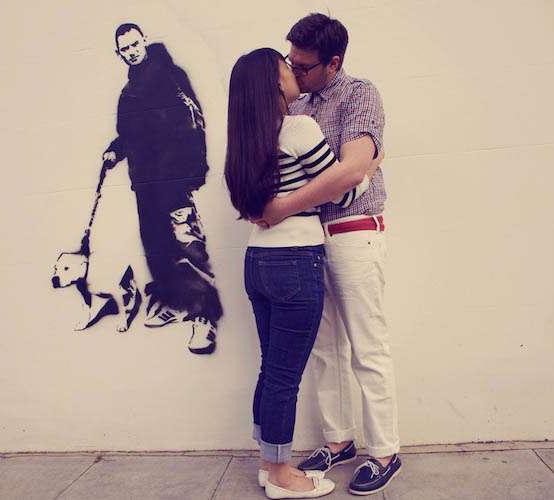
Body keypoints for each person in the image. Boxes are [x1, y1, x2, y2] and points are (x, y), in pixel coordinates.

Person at [256, 13, 401, 495]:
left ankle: (384, 451)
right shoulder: (295, 106)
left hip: (354, 231)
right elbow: (331, 173)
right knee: (323, 348)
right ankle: (339, 442)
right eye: (291, 64)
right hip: (307, 243)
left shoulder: (359, 94)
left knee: (367, 345)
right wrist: (339, 176)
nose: (294, 73)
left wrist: (283, 207)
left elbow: (352, 171)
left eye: (304, 67)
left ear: (333, 63)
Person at [225, 48, 376, 499]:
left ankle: (266, 462)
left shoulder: (244, 141)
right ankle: (281, 474)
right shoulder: (298, 127)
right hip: (295, 261)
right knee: (284, 377)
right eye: (284, 66)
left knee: (271, 369)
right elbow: (342, 193)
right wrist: (368, 167)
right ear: (274, 84)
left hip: (258, 261)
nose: (293, 71)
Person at [103, 23, 223, 355]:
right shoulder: (128, 93)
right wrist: (115, 150)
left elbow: (194, 120)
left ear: (144, 40)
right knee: (157, 249)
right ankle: (174, 302)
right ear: (118, 53)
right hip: (144, 185)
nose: (131, 51)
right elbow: (130, 135)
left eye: (134, 44)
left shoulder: (170, 76)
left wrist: (193, 170)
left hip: (172, 180)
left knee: (187, 244)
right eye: (125, 49)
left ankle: (204, 316)